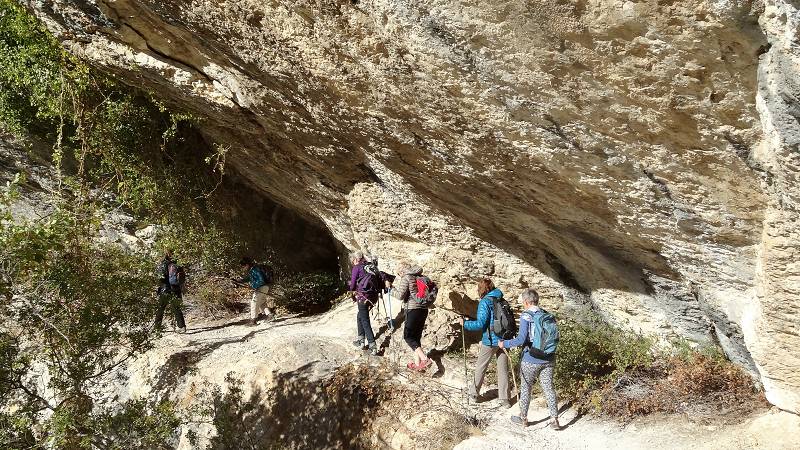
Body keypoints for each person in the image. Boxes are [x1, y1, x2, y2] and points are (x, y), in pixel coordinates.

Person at [499, 289, 560, 429]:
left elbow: (521, 339)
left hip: (531, 358)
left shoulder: (526, 315)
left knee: (526, 388)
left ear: (526, 302)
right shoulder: (546, 314)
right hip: (549, 357)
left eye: (523, 301)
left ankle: (523, 418)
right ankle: (554, 419)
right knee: (548, 387)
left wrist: (505, 344)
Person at [459, 278, 510, 407]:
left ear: (482, 289)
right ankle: (505, 399)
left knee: (481, 367)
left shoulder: (485, 302)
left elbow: (480, 324)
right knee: (503, 369)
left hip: (491, 340)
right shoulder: (502, 299)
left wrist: (465, 323)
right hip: (504, 339)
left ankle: (474, 394)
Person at [395, 263, 433, 371]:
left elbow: (400, 296)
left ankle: (425, 359)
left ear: (402, 271)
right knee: (416, 337)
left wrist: (390, 289)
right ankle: (418, 364)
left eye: (399, 273)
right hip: (423, 309)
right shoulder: (421, 277)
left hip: (413, 309)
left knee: (408, 336)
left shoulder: (406, 277)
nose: (399, 275)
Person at [348, 251, 380, 356]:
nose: (353, 263)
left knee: (365, 320)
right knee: (360, 316)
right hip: (373, 297)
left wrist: (351, 291)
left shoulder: (357, 268)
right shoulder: (371, 266)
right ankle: (361, 340)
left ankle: (372, 346)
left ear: (355, 259)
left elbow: (353, 284)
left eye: (352, 261)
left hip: (363, 297)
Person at [154, 249, 186, 332]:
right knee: (177, 308)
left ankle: (157, 328)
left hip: (165, 289)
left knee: (160, 308)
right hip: (176, 288)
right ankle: (182, 327)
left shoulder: (164, 264)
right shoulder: (177, 263)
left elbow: (161, 278)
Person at [238, 257, 274, 326]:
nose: (242, 268)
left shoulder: (254, 269)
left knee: (254, 302)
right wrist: (240, 280)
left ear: (247, 265)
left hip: (261, 287)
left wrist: (253, 286)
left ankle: (253, 321)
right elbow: (249, 278)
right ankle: (270, 315)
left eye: (243, 266)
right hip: (265, 287)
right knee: (262, 302)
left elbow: (260, 280)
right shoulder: (253, 269)